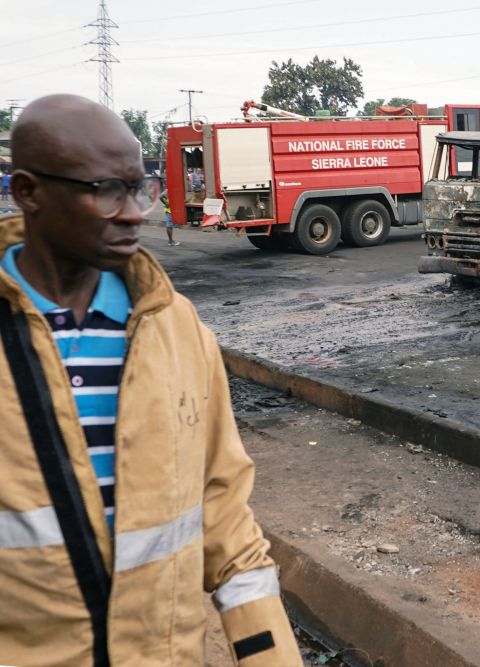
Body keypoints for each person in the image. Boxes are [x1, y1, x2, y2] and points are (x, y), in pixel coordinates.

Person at [0, 95, 300, 666]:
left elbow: (224, 514)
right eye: (106, 189)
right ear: (28, 192)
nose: (136, 211)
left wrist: (271, 657)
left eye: (141, 187)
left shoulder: (176, 326)